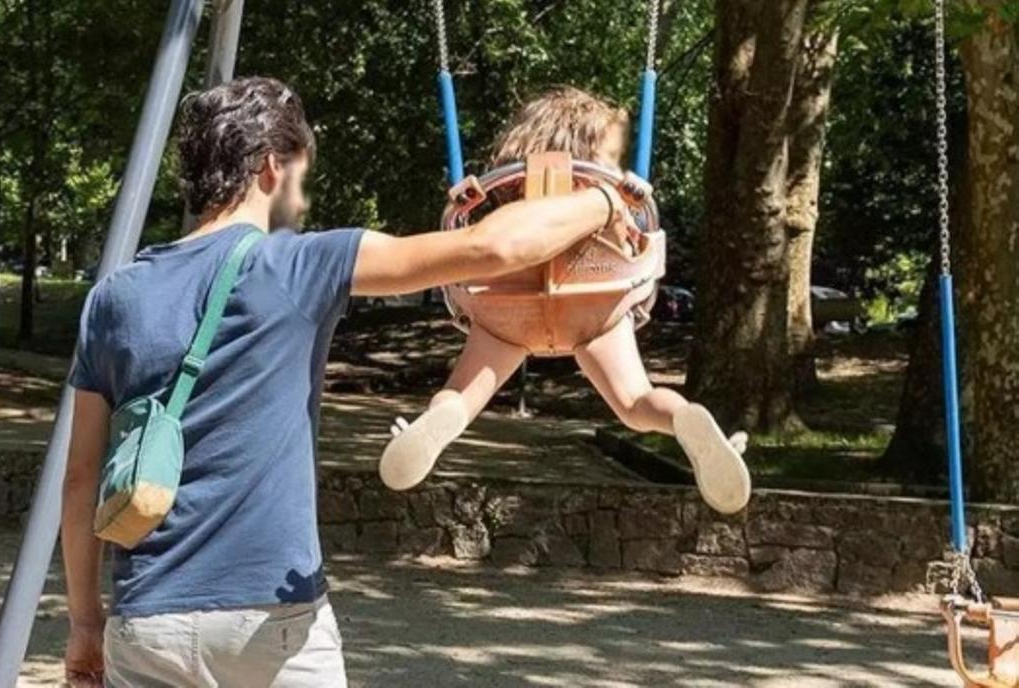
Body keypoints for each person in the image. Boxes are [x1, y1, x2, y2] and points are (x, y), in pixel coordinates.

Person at [60, 76, 640, 688]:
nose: (301, 201)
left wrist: (84, 622)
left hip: (148, 620)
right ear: (268, 169)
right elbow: (494, 249)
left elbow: (80, 480)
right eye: (301, 178)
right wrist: (605, 201)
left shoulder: (112, 298)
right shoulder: (301, 263)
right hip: (272, 622)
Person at [377, 86, 751, 515]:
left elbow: (467, 233)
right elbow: (642, 239)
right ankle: (683, 420)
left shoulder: (511, 193)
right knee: (634, 403)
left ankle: (437, 420)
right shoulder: (608, 197)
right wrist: (632, 203)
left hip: (507, 305)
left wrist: (463, 202)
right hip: (594, 306)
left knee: (460, 396)